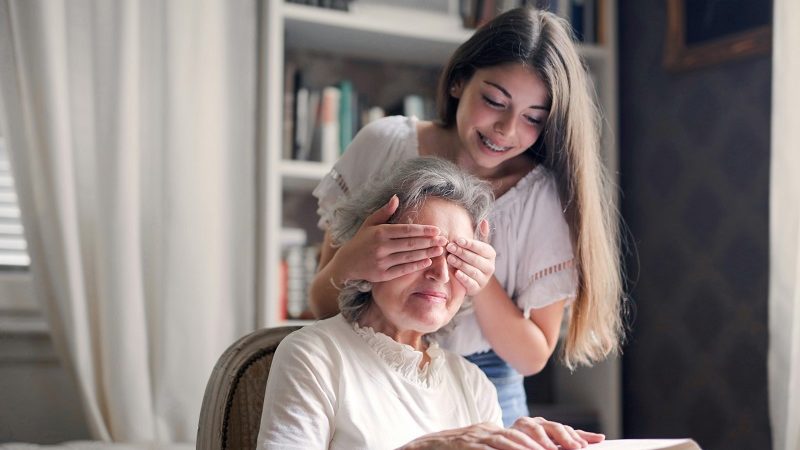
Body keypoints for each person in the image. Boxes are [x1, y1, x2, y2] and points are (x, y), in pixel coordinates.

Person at [309, 7, 624, 426]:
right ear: (459, 81)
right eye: (494, 101)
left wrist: (475, 276)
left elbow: (532, 356)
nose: (506, 130)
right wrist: (353, 261)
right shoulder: (383, 145)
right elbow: (321, 305)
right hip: (370, 367)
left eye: (533, 118)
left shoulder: (542, 199)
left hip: (488, 383)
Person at [258, 157, 604, 450]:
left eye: (458, 259)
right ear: (373, 251)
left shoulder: (473, 384)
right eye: (419, 251)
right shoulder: (313, 356)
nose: (440, 274)